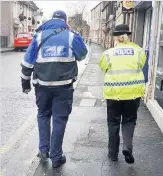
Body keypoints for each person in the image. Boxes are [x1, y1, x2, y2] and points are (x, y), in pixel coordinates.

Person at [21, 10, 87, 168]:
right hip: (64, 88)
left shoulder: (39, 36)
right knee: (59, 119)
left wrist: (25, 84)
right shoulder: (71, 36)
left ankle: (43, 151)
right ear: (65, 21)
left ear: (51, 20)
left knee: (43, 115)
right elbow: (82, 55)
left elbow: (27, 63)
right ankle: (56, 157)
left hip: (42, 87)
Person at [99, 24, 146, 164]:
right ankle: (127, 147)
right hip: (133, 93)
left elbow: (103, 67)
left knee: (113, 123)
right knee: (129, 120)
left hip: (113, 94)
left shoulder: (108, 53)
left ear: (115, 37)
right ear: (128, 36)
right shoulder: (139, 51)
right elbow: (141, 65)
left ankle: (112, 154)